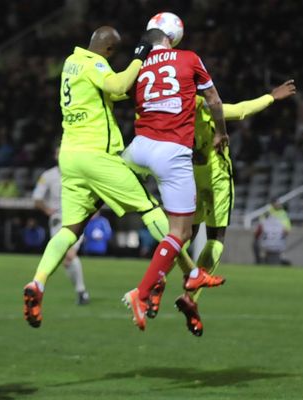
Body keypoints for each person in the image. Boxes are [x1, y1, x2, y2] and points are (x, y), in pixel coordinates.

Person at [22, 27, 215, 329]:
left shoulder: (71, 63)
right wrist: (140, 58)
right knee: (150, 208)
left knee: (70, 228)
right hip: (97, 156)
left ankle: (38, 282)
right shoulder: (95, 64)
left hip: (70, 158)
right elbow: (118, 82)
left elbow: (115, 92)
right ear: (109, 51)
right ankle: (190, 271)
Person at [150, 81, 297, 336]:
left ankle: (157, 279)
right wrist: (271, 97)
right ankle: (191, 295)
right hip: (217, 177)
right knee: (216, 238)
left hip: (190, 178)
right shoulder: (205, 107)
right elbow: (241, 110)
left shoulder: (170, 115)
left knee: (183, 235)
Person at [121, 22, 228, 331]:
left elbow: (125, 95)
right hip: (172, 151)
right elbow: (215, 102)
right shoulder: (189, 58)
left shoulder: (138, 65)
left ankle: (183, 275)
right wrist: (221, 133)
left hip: (138, 147)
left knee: (126, 198)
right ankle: (143, 292)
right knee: (180, 232)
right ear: (172, 38)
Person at [32, 145, 90, 305]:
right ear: (55, 156)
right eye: (58, 152)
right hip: (57, 220)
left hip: (76, 218)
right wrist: (47, 209)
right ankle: (82, 292)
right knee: (66, 260)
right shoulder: (48, 175)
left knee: (69, 254)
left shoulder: (79, 173)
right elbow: (37, 198)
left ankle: (81, 293)